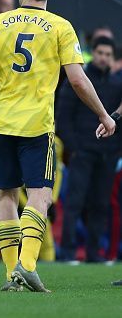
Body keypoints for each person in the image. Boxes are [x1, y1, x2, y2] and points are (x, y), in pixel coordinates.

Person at [0, 0, 117, 293]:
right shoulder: (61, 27)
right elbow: (77, 79)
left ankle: (11, 276)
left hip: (1, 123)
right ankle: (28, 266)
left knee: (6, 195)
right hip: (37, 126)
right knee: (40, 196)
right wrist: (104, 115)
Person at [57, 36, 122, 263]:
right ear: (92, 53)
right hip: (82, 152)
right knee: (75, 202)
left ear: (112, 58)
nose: (103, 58)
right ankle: (67, 253)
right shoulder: (77, 81)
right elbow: (62, 118)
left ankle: (94, 254)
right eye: (100, 53)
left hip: (108, 153)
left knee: (101, 204)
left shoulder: (117, 84)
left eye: (108, 54)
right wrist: (74, 149)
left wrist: (116, 149)